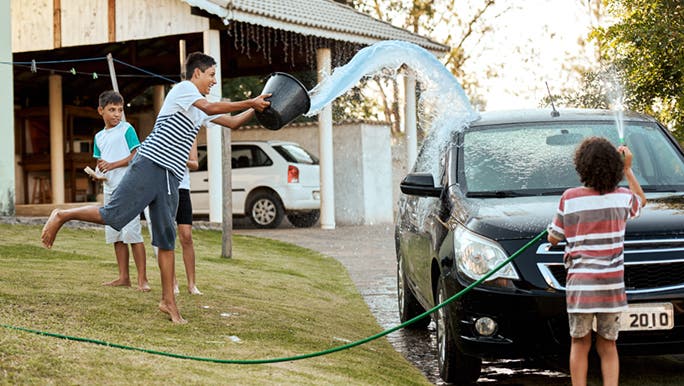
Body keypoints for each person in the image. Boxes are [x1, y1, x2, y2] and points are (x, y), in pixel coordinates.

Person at [41, 52, 271, 324]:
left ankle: (168, 302)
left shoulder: (199, 108)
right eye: (211, 75)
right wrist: (249, 100)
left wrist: (256, 108)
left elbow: (230, 122)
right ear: (196, 73)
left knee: (165, 240)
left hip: (171, 177)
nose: (214, 80)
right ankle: (62, 215)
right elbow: (211, 108)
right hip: (150, 164)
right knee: (115, 216)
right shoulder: (184, 90)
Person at [547, 136, 646, 386]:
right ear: (614, 166)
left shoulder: (570, 198)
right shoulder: (622, 197)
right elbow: (641, 201)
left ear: (581, 166)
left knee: (580, 343)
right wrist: (628, 170)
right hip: (611, 286)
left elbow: (554, 237)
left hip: (581, 286)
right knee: (608, 344)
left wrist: (554, 233)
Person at [92, 90, 150, 292]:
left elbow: (136, 156)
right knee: (115, 234)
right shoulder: (98, 137)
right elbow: (100, 163)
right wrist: (98, 173)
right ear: (101, 111)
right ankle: (123, 277)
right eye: (112, 110)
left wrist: (113, 165)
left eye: (119, 110)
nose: (117, 114)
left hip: (129, 188)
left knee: (133, 234)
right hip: (109, 188)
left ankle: (143, 280)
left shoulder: (127, 129)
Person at [174, 139, 202, 295]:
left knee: (186, 236)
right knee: (167, 236)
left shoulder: (191, 134)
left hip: (182, 189)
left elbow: (195, 164)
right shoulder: (165, 129)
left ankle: (192, 285)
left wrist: (180, 159)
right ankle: (173, 282)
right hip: (165, 187)